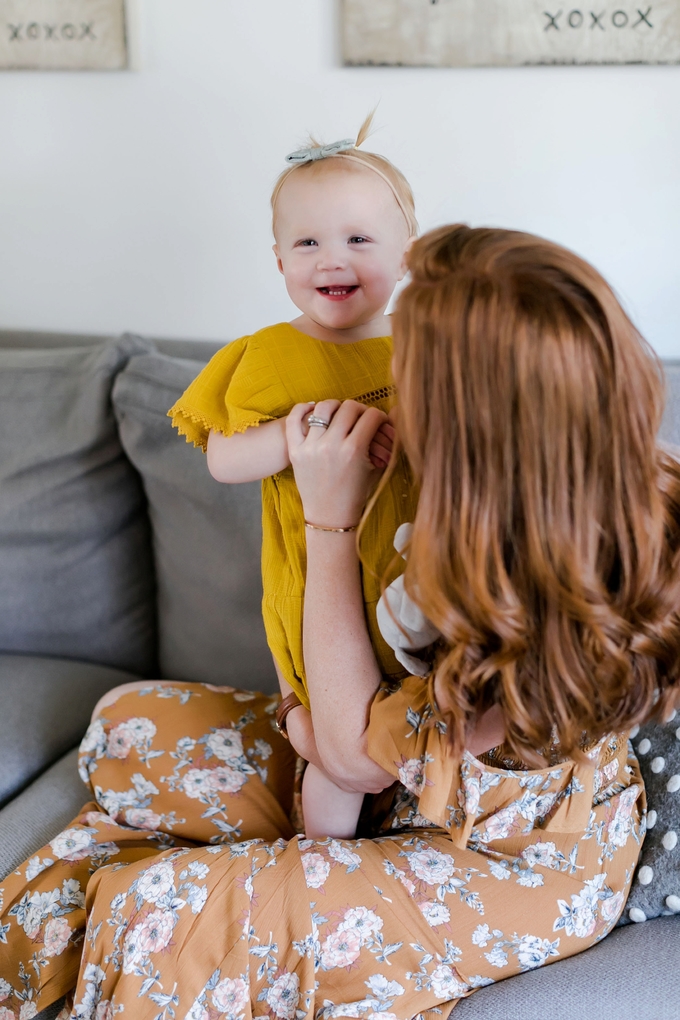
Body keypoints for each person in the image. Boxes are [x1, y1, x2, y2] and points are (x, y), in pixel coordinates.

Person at [2, 224, 677, 1020]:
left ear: (475, 417)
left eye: (406, 354)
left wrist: (330, 520)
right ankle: (278, 879)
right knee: (126, 724)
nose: (383, 362)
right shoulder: (497, 489)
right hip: (404, 782)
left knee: (161, 917)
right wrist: (302, 724)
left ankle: (254, 899)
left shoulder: (521, 586)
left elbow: (352, 756)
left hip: (504, 859)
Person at [167, 115, 419, 840]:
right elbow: (223, 458)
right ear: (278, 262)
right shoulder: (269, 355)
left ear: (407, 256)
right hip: (320, 584)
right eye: (306, 242)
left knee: (407, 716)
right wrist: (296, 433)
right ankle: (319, 865)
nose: (329, 259)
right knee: (337, 760)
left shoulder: (422, 341)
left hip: (416, 570)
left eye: (358, 240)